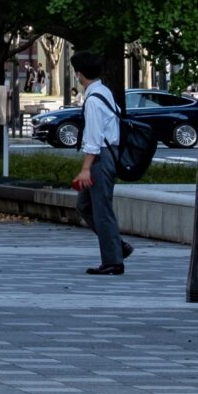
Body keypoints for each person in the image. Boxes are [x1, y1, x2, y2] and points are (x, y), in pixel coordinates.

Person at [70, 50, 129, 277]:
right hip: (106, 155)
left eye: (76, 72)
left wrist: (86, 168)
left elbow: (94, 138)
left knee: (101, 209)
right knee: (84, 206)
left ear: (80, 74)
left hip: (100, 158)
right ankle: (117, 245)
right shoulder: (104, 91)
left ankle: (113, 261)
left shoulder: (94, 100)